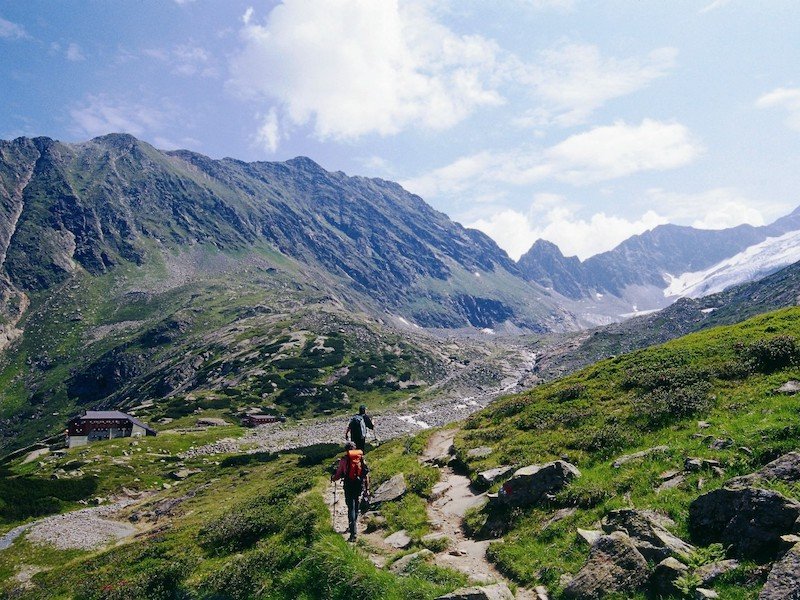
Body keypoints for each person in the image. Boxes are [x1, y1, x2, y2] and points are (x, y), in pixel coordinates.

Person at [331, 441, 370, 542]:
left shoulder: (344, 460)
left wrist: (333, 478)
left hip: (349, 485)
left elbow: (339, 474)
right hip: (359, 484)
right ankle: (353, 527)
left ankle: (353, 534)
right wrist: (367, 489)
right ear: (355, 448)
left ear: (346, 450)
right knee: (356, 505)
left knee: (350, 507)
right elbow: (366, 474)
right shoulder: (361, 458)